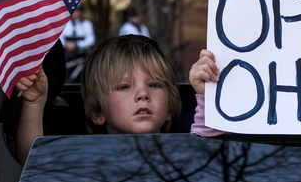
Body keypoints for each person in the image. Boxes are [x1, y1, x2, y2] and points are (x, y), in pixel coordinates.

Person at [14, 35, 181, 165]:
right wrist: (34, 103)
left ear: (170, 107)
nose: (143, 94)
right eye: (124, 87)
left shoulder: (185, 156)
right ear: (97, 112)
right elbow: (34, 163)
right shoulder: (84, 160)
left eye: (154, 85)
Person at [60, 6, 96, 83]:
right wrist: (66, 45)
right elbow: (60, 37)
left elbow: (91, 40)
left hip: (80, 56)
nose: (76, 13)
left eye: (78, 11)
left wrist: (77, 45)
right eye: (75, 11)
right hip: (66, 56)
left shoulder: (87, 24)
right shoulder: (65, 23)